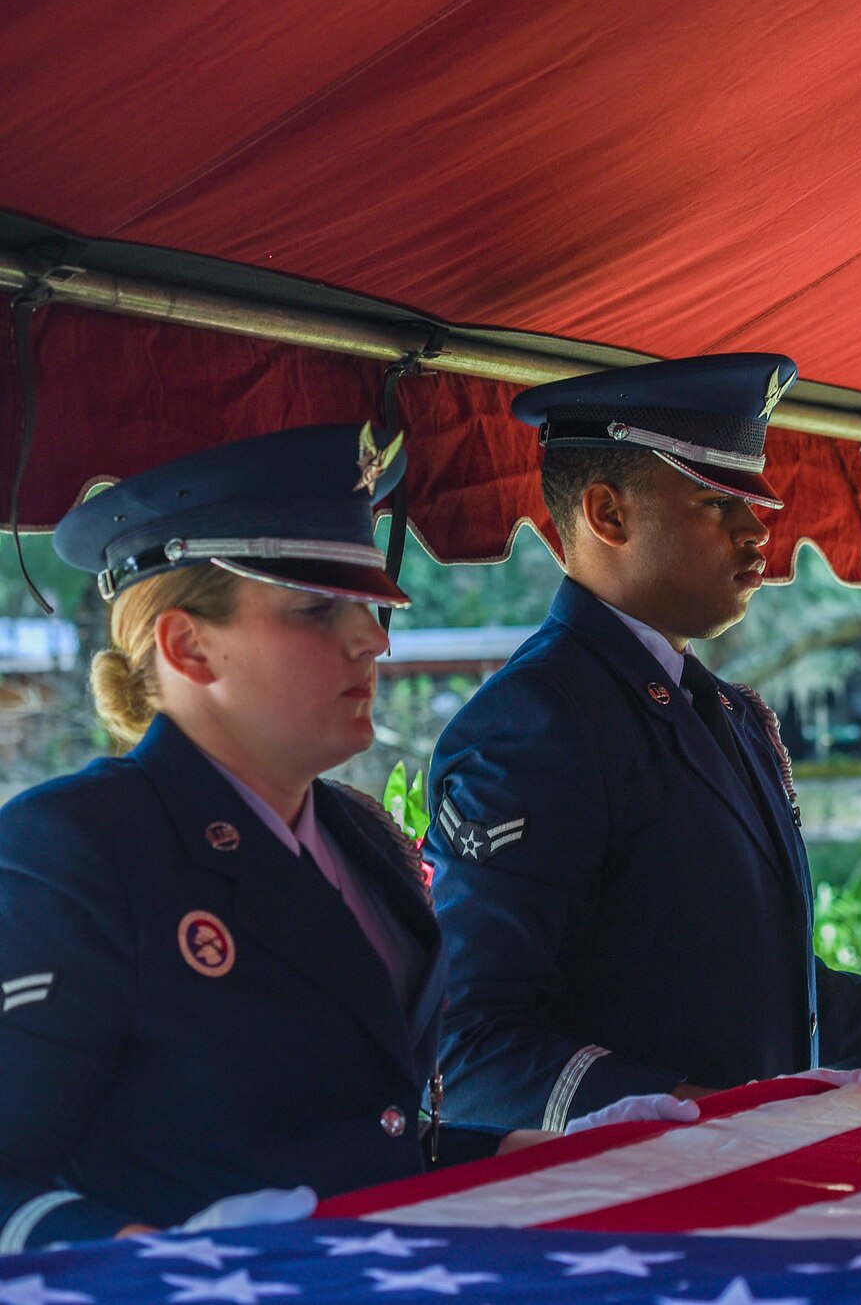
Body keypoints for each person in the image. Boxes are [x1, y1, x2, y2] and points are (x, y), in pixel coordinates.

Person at [0, 426, 686, 1252]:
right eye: (317, 607)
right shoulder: (76, 846)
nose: (372, 638)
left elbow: (373, 1129)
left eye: (367, 604)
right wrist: (144, 1255)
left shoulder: (358, 837)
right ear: (189, 646)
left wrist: (519, 1146)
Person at [426, 354, 861, 1128]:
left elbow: (789, 999)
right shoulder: (536, 721)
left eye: (754, 503)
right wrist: (724, 1118)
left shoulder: (722, 711)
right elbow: (471, 1043)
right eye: (714, 502)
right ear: (609, 515)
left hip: (736, 1186)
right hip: (626, 1214)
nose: (757, 531)